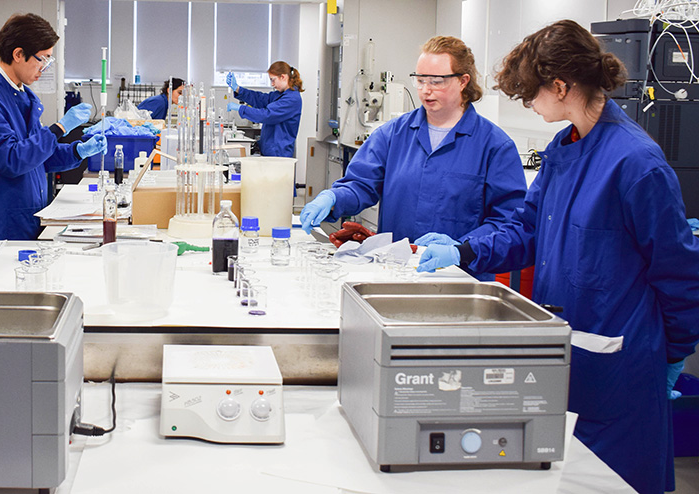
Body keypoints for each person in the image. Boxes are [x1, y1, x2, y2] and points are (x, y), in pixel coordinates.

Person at [416, 20, 699, 494]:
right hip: (560, 356)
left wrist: (675, 352)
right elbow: (527, 228)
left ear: (561, 86)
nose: (528, 103)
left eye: (531, 94)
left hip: (619, 369)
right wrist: (465, 249)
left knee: (613, 483)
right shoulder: (563, 148)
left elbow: (679, 272)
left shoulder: (636, 163)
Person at [300, 36, 526, 280]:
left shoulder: (494, 146)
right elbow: (360, 184)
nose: (426, 90)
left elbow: (508, 222)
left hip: (461, 278)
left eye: (436, 81)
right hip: (396, 273)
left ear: (463, 81)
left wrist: (462, 247)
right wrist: (334, 198)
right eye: (420, 80)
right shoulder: (392, 134)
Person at [0, 13, 107, 240]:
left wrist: (77, 151)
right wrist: (59, 128)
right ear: (18, 54)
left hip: (26, 217)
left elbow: (38, 157)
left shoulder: (24, 96)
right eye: (43, 59)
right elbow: (12, 160)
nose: (45, 68)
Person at [225, 61, 303, 157]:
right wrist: (237, 89)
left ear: (283, 77)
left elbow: (266, 115)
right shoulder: (279, 95)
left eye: (273, 80)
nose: (272, 84)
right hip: (271, 151)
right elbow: (260, 99)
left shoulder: (291, 99)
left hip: (279, 154)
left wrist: (241, 108)